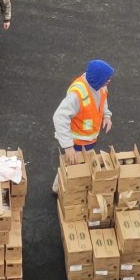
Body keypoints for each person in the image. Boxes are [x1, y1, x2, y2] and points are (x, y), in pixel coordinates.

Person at [51, 60, 114, 193]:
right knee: (70, 166)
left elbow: (103, 100)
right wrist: (68, 147)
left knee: (83, 164)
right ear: (98, 79)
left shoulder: (100, 86)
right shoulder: (77, 94)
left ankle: (73, 187)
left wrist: (107, 116)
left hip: (89, 141)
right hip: (76, 143)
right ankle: (58, 189)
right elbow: (59, 117)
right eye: (106, 79)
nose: (108, 81)